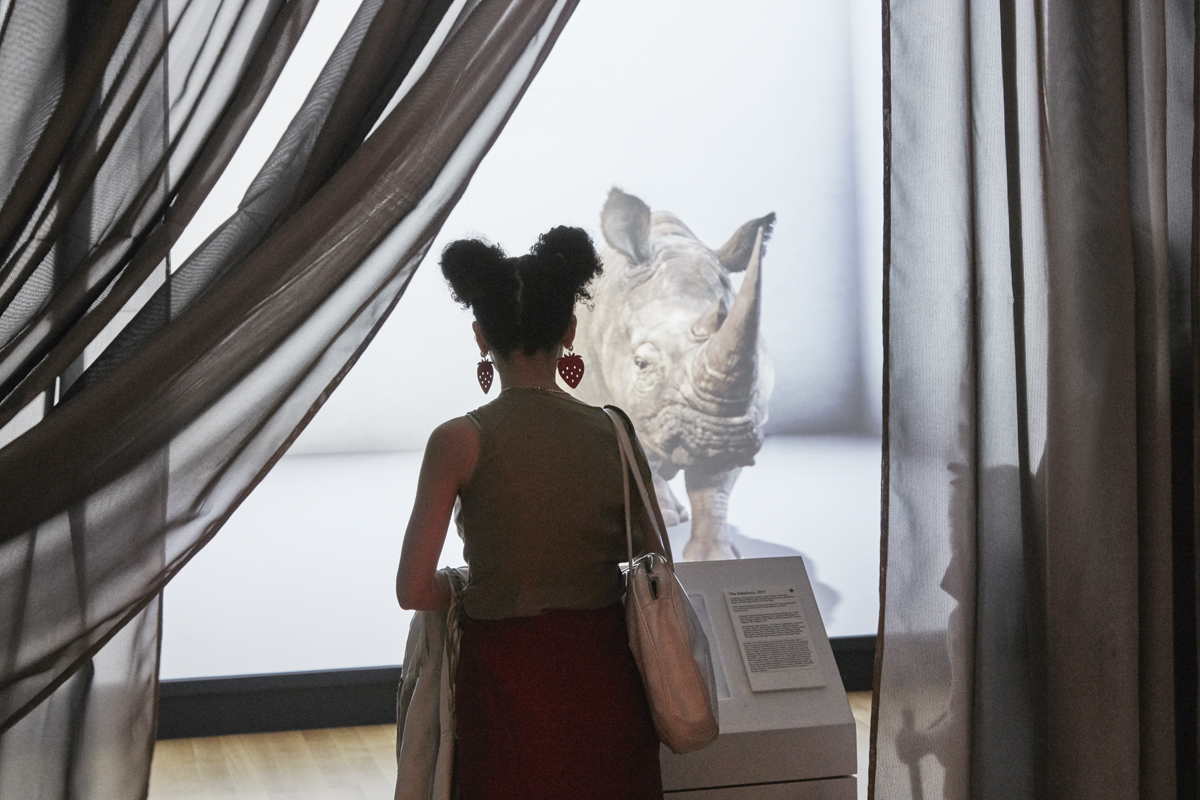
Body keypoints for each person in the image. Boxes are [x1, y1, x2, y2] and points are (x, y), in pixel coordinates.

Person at [395, 226, 665, 800]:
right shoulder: (614, 431)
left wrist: (472, 585)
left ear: (479, 337)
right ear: (569, 332)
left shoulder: (458, 440)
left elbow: (413, 589)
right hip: (605, 677)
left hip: (503, 682)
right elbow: (656, 561)